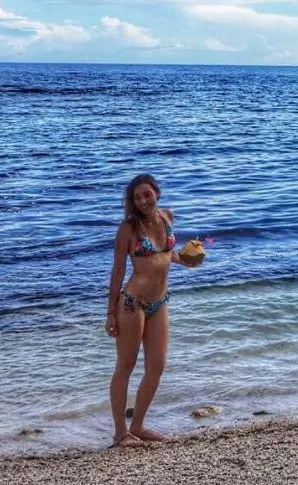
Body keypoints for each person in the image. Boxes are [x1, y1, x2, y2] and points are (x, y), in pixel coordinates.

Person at [105, 173, 200, 447]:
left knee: (156, 367)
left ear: (156, 193)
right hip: (132, 304)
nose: (143, 201)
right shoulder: (127, 229)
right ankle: (120, 433)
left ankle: (138, 425)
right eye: (137, 198)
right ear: (132, 202)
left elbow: (167, 255)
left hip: (160, 303)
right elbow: (118, 272)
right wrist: (110, 313)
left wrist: (188, 259)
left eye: (147, 194)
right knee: (126, 367)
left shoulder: (167, 217)